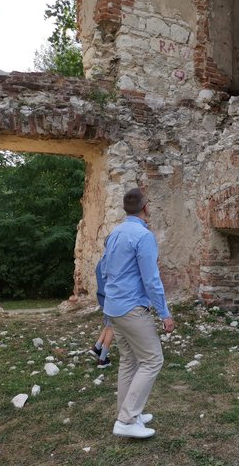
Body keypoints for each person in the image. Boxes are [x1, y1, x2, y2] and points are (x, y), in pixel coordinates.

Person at [99, 188, 175, 439]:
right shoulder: (143, 236)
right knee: (153, 360)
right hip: (131, 308)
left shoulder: (115, 233)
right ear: (146, 207)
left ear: (125, 209)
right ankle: (126, 420)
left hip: (113, 307)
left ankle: (128, 413)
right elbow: (151, 279)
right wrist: (164, 313)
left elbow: (104, 270)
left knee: (129, 361)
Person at [87, 259, 114, 369]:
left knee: (108, 325)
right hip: (111, 298)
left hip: (103, 297)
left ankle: (97, 347)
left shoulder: (100, 262)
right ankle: (102, 359)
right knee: (113, 327)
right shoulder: (112, 261)